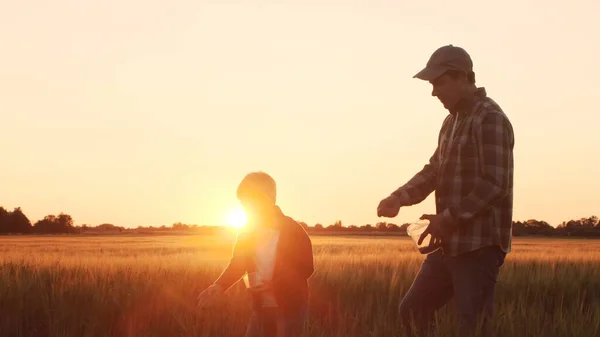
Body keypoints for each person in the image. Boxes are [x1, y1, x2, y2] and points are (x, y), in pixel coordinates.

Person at [377, 44, 515, 336]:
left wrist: (448, 217)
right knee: (413, 309)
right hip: (449, 244)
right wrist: (399, 198)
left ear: (463, 77)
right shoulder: (450, 123)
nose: (434, 92)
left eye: (439, 82)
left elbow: (495, 184)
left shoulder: (489, 118)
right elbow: (433, 171)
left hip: (478, 247)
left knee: (473, 328)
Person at [197, 171, 314, 337]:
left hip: (290, 308)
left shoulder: (293, 230)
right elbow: (237, 263)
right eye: (243, 203)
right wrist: (219, 286)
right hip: (260, 307)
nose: (245, 207)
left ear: (267, 198)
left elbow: (305, 268)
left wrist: (275, 284)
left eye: (249, 202)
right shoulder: (247, 230)